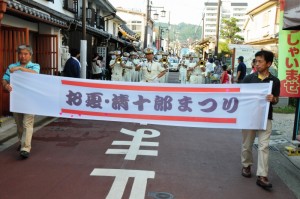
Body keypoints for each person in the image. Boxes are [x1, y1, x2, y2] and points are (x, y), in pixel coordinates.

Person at [241, 50, 280, 189]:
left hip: (265, 117)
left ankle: (262, 176)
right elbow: (239, 96)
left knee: (264, 146)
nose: (257, 64)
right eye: (255, 61)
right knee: (247, 144)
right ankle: (246, 165)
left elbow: (276, 99)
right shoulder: (249, 79)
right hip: (249, 117)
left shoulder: (275, 81)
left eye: (260, 61)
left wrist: (273, 99)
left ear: (268, 64)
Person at [2, 44, 40, 159]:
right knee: (19, 125)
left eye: (25, 54)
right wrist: (6, 85)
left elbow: (35, 75)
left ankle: (25, 148)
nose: (22, 56)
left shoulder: (35, 66)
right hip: (16, 99)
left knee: (27, 123)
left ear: (30, 55)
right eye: (20, 54)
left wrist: (19, 69)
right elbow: (4, 79)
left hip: (30, 99)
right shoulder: (11, 66)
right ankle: (22, 141)